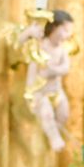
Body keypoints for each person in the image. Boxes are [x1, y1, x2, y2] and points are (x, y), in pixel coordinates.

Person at [15, 11, 74, 153]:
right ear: (54, 27)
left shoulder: (61, 50)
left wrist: (52, 70)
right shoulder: (40, 45)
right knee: (46, 112)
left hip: (56, 90)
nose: (67, 35)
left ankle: (54, 132)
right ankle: (54, 138)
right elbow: (20, 45)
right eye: (65, 30)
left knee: (63, 112)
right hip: (40, 92)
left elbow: (65, 67)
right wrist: (29, 32)